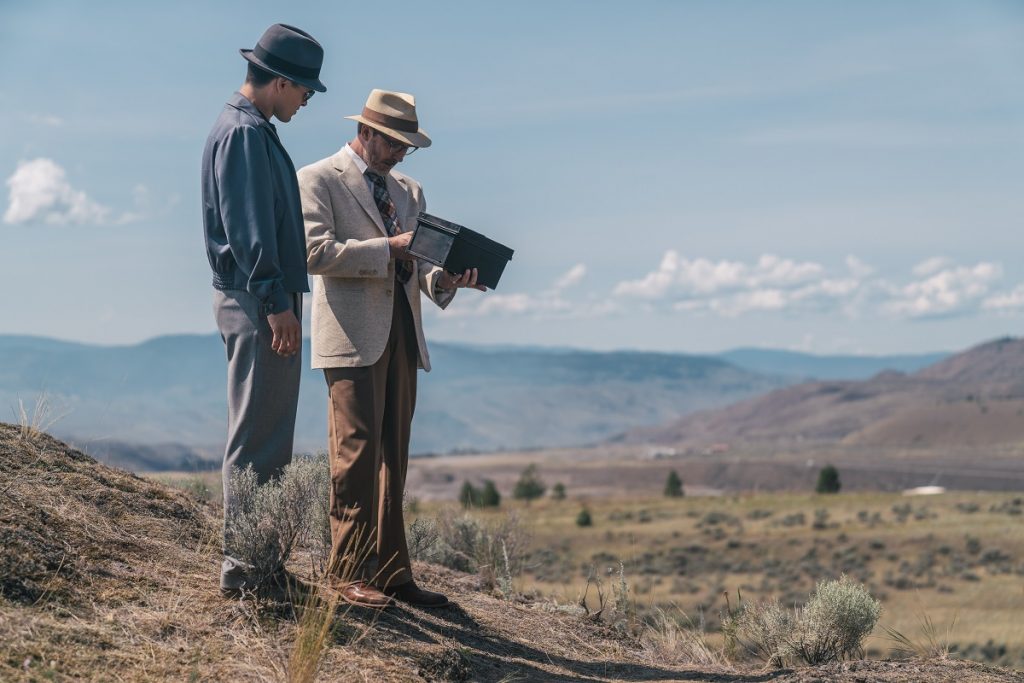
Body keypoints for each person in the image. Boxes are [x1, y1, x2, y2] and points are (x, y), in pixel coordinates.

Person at [298, 89, 485, 608]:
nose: (403, 153)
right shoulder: (317, 179)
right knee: (355, 453)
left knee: (393, 457)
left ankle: (393, 572)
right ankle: (347, 572)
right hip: (351, 337)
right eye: (397, 142)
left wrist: (448, 278)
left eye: (409, 145)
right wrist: (390, 247)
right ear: (368, 132)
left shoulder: (410, 191)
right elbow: (315, 253)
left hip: (404, 331)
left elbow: (422, 265)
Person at [201, 23, 326, 597]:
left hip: (258, 297)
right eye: (304, 91)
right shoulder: (246, 134)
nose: (305, 101)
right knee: (258, 438)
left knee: (266, 435)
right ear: (280, 82)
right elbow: (251, 229)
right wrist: (278, 303)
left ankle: (259, 567)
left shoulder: (248, 128)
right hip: (259, 300)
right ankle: (248, 573)